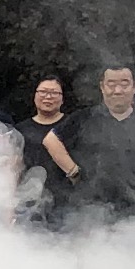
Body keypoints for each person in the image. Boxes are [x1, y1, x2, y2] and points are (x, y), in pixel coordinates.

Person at [70, 61, 135, 226]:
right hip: (90, 211)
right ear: (102, 87)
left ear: (134, 87)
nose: (118, 90)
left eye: (124, 84)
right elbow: (52, 139)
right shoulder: (86, 117)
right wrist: (73, 171)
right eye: (111, 84)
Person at [15, 74, 80, 229]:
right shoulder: (20, 130)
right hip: (29, 206)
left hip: (67, 204)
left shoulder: (73, 126)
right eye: (43, 92)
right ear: (35, 96)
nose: (48, 97)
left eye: (54, 93)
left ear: (62, 99)